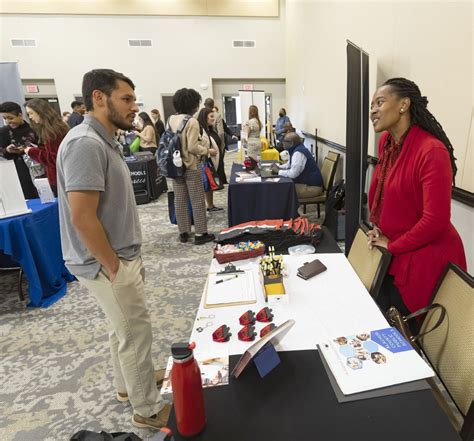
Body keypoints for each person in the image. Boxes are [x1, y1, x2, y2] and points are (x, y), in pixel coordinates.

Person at [56, 69, 171, 430]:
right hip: (104, 261)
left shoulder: (104, 139)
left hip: (116, 255)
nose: (133, 107)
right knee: (135, 330)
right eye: (126, 99)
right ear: (99, 98)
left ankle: (127, 385)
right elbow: (82, 217)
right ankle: (148, 409)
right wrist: (113, 264)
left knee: (120, 326)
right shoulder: (85, 144)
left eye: (134, 99)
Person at [368, 77, 466, 324]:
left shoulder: (431, 151)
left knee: (403, 334)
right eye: (371, 105)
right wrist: (379, 230)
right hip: (395, 252)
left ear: (403, 105)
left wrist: (392, 245)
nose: (373, 110)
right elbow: (387, 196)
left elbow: (436, 221)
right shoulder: (387, 144)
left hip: (425, 259)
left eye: (380, 102)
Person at [169, 88, 215, 245]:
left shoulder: (171, 120)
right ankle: (201, 233)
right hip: (190, 165)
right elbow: (193, 147)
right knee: (197, 200)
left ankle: (183, 231)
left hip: (174, 166)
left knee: (180, 199)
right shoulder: (192, 122)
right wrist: (208, 150)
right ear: (193, 104)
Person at [24, 98, 69, 196]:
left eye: (31, 113)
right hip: (62, 177)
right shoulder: (55, 128)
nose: (30, 117)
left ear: (40, 111)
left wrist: (31, 151)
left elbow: (54, 159)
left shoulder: (52, 131)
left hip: (59, 178)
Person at [0, 101, 39, 199]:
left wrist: (28, 149)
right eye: (4, 118)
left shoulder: (34, 129)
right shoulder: (4, 131)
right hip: (18, 172)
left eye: (10, 118)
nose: (8, 121)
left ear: (20, 115)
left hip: (38, 169)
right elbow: (2, 152)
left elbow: (43, 148)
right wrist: (8, 150)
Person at [271, 132, 323, 201]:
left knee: (280, 190)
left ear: (291, 143)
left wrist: (278, 171)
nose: (282, 143)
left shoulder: (299, 153)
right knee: (279, 187)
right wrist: (279, 167)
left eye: (284, 141)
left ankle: (288, 211)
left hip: (312, 187)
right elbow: (289, 165)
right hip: (306, 183)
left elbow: (293, 174)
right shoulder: (295, 149)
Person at [197, 107, 223, 212]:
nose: (213, 119)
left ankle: (210, 206)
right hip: (202, 162)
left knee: (209, 185)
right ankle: (200, 210)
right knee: (204, 186)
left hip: (209, 162)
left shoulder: (208, 129)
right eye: (211, 116)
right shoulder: (199, 130)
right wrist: (208, 151)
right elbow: (195, 146)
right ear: (204, 117)